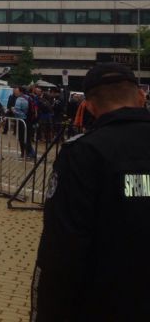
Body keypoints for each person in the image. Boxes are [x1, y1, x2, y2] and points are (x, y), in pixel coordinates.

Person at [31, 63, 150, 321]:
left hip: (107, 299)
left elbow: (63, 245)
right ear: (141, 96)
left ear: (90, 106)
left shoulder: (84, 153)